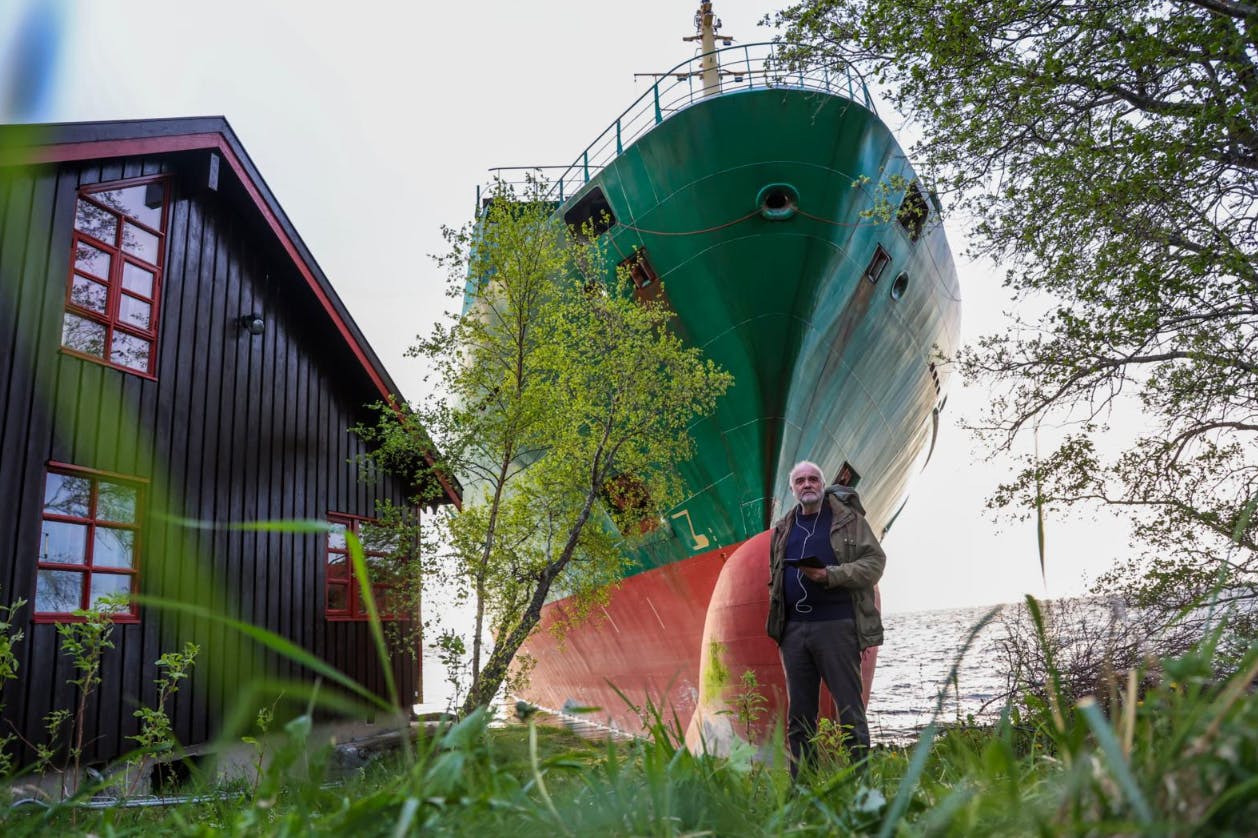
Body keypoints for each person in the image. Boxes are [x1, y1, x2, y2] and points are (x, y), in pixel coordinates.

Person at [765, 460, 885, 778]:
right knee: (799, 717)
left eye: (814, 479)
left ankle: (863, 788)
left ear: (823, 484)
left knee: (850, 710)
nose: (808, 485)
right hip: (794, 632)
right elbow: (773, 576)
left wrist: (830, 575)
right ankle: (803, 792)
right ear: (792, 489)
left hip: (837, 627)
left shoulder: (848, 520)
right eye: (801, 481)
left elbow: (875, 562)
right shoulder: (782, 528)